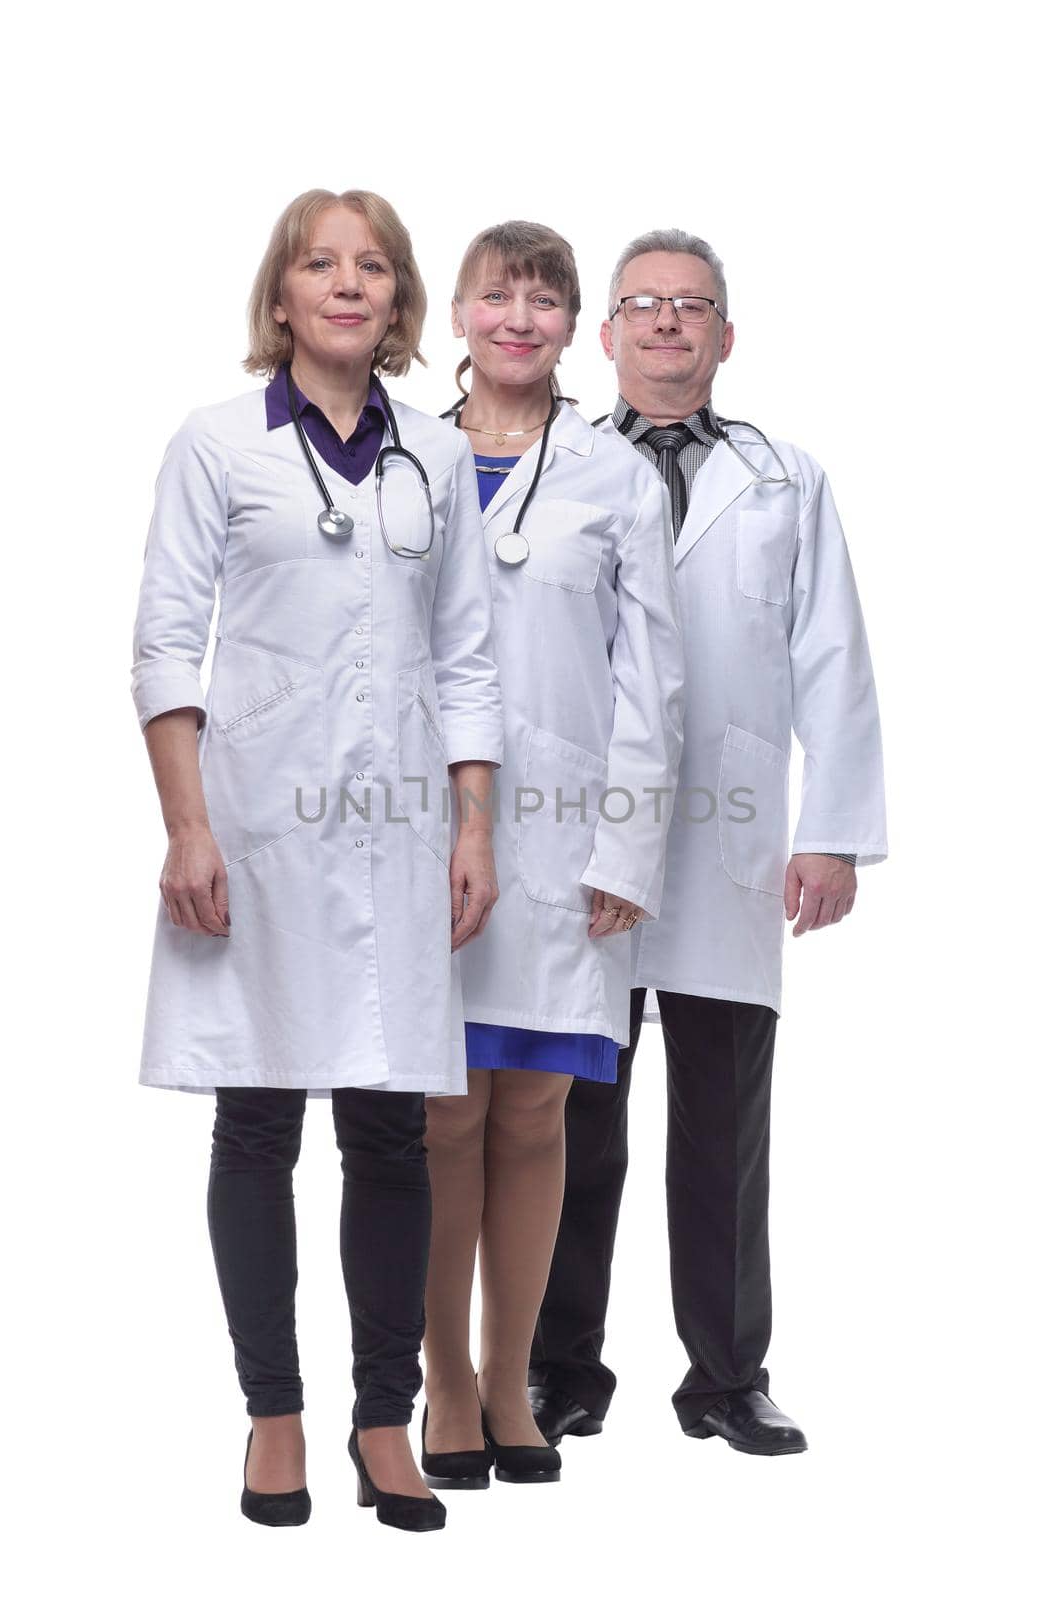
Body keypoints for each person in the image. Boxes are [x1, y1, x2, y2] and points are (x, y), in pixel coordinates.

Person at [130, 188, 503, 1531]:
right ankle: (274, 1414)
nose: (347, 285)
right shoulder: (216, 444)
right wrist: (187, 824)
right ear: (280, 296)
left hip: (399, 835)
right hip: (259, 830)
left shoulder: (434, 456)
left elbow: (466, 654)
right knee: (256, 1116)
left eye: (373, 267)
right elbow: (168, 646)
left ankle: (379, 1422)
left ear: (399, 301)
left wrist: (471, 824)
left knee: (389, 1129)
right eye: (318, 264)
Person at [530, 228, 887, 1456]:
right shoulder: (546, 465)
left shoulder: (784, 479)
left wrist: (831, 830)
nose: (668, 323)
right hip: (576, 842)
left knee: (724, 1128)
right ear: (605, 334)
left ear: (725, 338)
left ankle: (727, 1377)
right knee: (568, 1118)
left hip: (728, 842)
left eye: (693, 307)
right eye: (643, 304)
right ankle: (552, 1366)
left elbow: (830, 656)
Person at [419, 222, 684, 1491]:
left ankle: (512, 1378)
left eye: (543, 298)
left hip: (571, 834)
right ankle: (446, 1389)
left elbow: (655, 678)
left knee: (533, 1115)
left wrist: (629, 841)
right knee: (435, 1116)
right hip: (418, 831)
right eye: (496, 294)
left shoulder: (612, 474)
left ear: (570, 325)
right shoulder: (401, 457)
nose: (517, 316)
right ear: (459, 312)